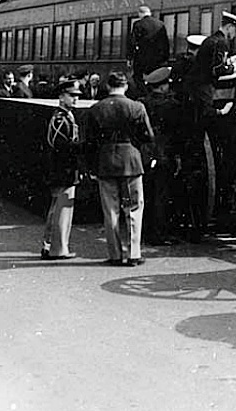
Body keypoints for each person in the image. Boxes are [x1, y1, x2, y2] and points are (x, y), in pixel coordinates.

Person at [83, 71, 154, 266]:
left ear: (107, 87)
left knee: (110, 210)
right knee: (133, 208)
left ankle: (114, 254)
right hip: (131, 162)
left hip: (105, 163)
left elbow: (89, 142)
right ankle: (134, 253)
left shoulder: (96, 109)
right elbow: (148, 136)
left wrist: (92, 166)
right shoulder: (137, 107)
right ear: (126, 87)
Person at [139, 66, 184, 246]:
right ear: (164, 86)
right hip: (165, 152)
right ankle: (159, 233)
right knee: (162, 194)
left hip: (147, 153)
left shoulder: (142, 103)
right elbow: (178, 132)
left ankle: (147, 231)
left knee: (148, 192)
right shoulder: (172, 106)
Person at [40, 79, 83, 260]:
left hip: (65, 169)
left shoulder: (67, 116)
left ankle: (56, 244)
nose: (75, 99)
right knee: (59, 208)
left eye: (77, 96)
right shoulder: (60, 118)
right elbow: (60, 146)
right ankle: (53, 246)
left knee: (61, 208)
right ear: (61, 96)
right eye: (71, 96)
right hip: (62, 169)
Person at [191, 12, 236, 122]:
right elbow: (217, 70)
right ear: (229, 27)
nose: (235, 35)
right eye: (235, 30)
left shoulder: (211, 39)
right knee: (207, 122)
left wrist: (229, 62)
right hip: (205, 88)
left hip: (197, 88)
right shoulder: (221, 42)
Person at [127, 5, 170, 93]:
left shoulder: (138, 24)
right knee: (157, 78)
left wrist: (129, 58)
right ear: (149, 13)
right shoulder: (160, 24)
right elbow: (166, 43)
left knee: (138, 77)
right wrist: (165, 58)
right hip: (158, 59)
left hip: (142, 59)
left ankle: (144, 94)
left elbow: (132, 42)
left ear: (140, 14)